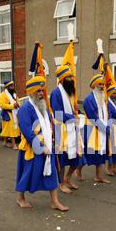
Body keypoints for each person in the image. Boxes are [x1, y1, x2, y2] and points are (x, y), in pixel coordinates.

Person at [15, 76, 68, 212]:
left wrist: (54, 141)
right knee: (28, 174)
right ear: (31, 92)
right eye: (38, 91)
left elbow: (49, 125)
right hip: (32, 149)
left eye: (42, 90)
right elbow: (27, 132)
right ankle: (20, 198)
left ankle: (54, 201)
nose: (41, 93)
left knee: (52, 174)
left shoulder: (44, 106)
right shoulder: (25, 109)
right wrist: (40, 147)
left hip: (48, 147)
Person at [50, 65, 81, 194]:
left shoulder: (70, 92)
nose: (71, 79)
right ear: (62, 79)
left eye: (71, 76)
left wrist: (76, 111)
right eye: (68, 77)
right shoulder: (56, 93)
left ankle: (68, 178)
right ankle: (61, 183)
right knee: (62, 159)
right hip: (61, 130)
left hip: (73, 128)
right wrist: (73, 116)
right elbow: (58, 114)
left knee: (77, 157)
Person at [83, 74, 111, 184]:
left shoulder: (103, 98)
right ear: (94, 85)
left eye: (103, 84)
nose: (102, 86)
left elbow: (106, 113)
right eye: (100, 84)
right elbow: (93, 117)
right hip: (92, 131)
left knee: (101, 154)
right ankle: (78, 171)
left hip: (102, 130)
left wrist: (107, 125)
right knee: (87, 153)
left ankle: (98, 176)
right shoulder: (88, 99)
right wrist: (104, 128)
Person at [0, 80, 21, 149]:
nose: (12, 87)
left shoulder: (14, 94)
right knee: (11, 130)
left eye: (13, 86)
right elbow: (2, 105)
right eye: (11, 86)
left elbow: (18, 101)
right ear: (7, 87)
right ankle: (13, 145)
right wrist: (12, 106)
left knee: (8, 129)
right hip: (8, 114)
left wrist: (18, 104)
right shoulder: (2, 95)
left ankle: (5, 142)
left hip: (15, 113)